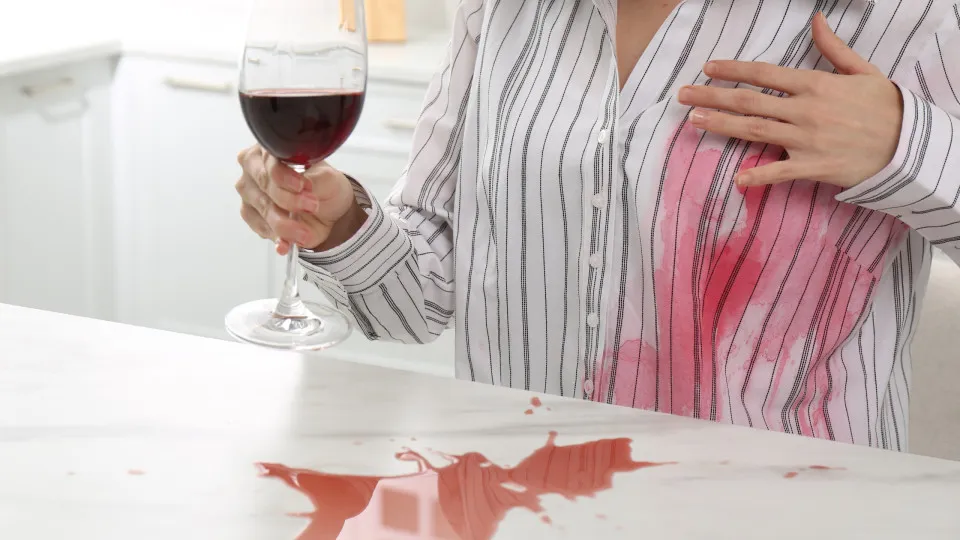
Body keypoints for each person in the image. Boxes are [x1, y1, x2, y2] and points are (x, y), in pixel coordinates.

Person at [235, 0, 960, 451]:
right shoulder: (503, 12)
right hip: (524, 492)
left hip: (793, 504)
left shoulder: (905, 18)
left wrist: (903, 142)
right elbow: (420, 299)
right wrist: (341, 224)